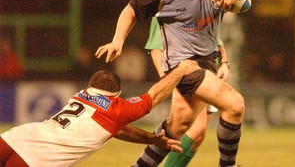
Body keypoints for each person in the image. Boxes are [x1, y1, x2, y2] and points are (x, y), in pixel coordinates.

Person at [96, 0, 273, 166]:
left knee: (178, 126)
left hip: (206, 62)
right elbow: (132, 9)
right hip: (182, 66)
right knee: (234, 104)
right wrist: (117, 41)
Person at [0, 59, 200, 167]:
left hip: (14, 137)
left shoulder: (81, 95)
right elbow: (154, 97)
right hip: (35, 160)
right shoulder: (116, 108)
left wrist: (154, 139)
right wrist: (181, 70)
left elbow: (117, 130)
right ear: (117, 94)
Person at [145, 16, 230, 166]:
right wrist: (167, 78)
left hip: (211, 72)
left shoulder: (204, 3)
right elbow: (156, 47)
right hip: (189, 74)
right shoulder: (164, 8)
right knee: (193, 130)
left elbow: (216, 36)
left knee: (198, 135)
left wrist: (224, 62)